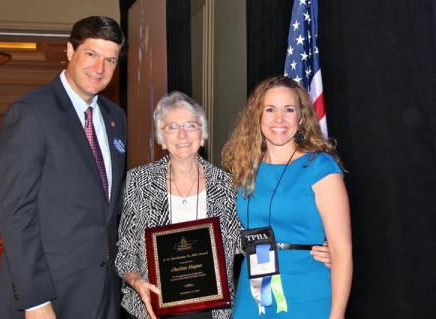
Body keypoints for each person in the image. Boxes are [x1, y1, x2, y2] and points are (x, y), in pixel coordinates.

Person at [115, 91, 332, 319]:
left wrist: (309, 247)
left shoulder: (228, 183)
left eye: (190, 126)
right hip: (153, 309)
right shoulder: (139, 181)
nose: (182, 135)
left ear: (203, 135)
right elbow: (126, 250)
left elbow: (249, 236)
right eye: (171, 127)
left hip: (211, 310)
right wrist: (136, 281)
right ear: (161, 137)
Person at [0, 16, 127, 319]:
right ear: (69, 50)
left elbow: (109, 204)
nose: (100, 68)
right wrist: (36, 301)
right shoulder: (31, 113)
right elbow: (16, 215)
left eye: (110, 60)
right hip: (48, 295)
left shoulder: (115, 117)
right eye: (91, 54)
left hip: (103, 293)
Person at [222, 75, 352, 318]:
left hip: (307, 292)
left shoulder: (320, 168)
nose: (279, 119)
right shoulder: (245, 167)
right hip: (253, 295)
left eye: (288, 110)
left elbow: (342, 250)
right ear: (257, 115)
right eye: (270, 109)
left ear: (301, 118)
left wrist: (337, 315)